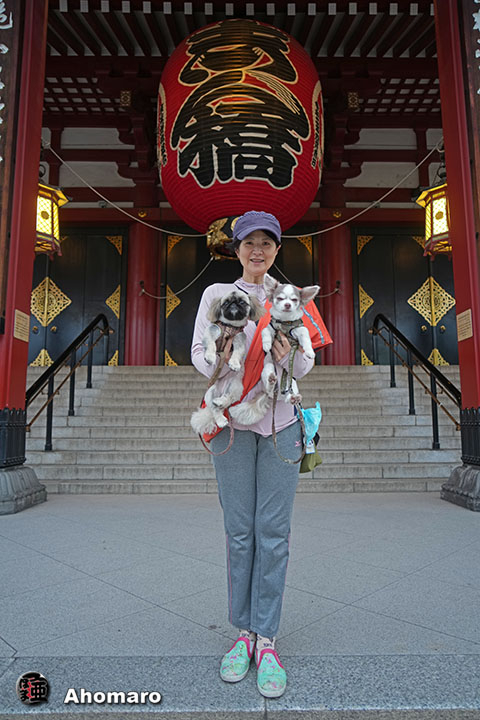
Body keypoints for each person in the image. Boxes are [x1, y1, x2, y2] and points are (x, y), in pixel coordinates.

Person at [191, 210, 326, 699]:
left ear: (276, 250)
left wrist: (288, 354)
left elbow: (306, 364)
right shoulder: (216, 294)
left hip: (279, 426)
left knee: (273, 534)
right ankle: (242, 634)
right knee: (240, 532)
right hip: (230, 424)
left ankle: (266, 639)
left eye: (267, 243)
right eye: (250, 242)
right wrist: (224, 357)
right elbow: (198, 354)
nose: (257, 250)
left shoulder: (290, 296)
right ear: (237, 248)